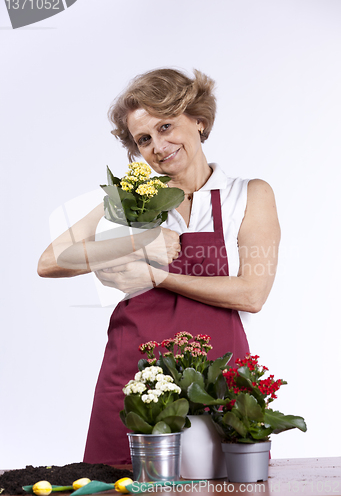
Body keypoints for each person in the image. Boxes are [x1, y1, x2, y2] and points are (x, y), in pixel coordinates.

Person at [38, 68, 280, 465]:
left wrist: (157, 276)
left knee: (224, 482)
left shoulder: (247, 194)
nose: (158, 146)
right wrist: (138, 240)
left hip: (216, 374)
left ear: (199, 121)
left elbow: (252, 294)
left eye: (166, 126)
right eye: (144, 139)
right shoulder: (134, 197)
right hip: (135, 377)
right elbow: (51, 260)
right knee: (116, 483)